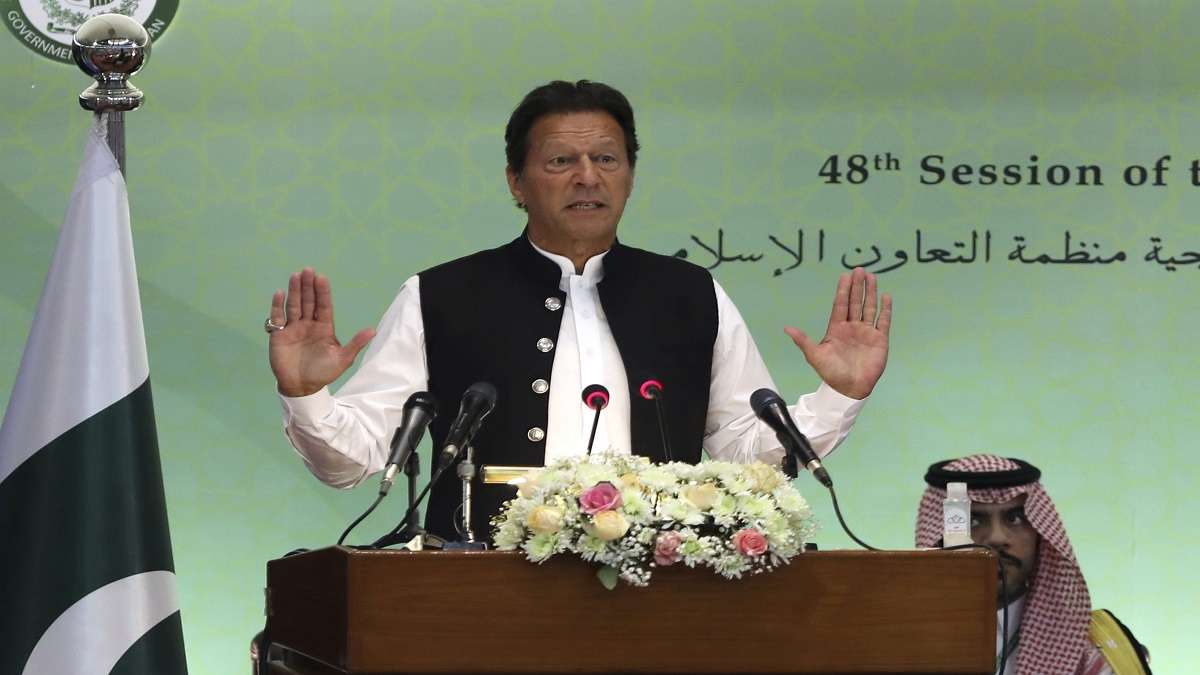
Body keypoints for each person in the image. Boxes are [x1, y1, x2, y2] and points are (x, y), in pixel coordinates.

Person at [266, 80, 893, 542]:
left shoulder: (690, 294)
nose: (587, 177)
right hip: (477, 598)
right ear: (516, 181)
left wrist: (837, 396)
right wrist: (306, 396)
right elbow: (355, 463)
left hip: (659, 590)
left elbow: (743, 458)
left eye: (607, 160)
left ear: (630, 175)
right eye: (561, 161)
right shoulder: (441, 294)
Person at [917, 454, 1150, 675]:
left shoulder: (1093, 651)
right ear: (938, 539)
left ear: (1040, 535)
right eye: (972, 521)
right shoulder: (900, 640)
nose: (997, 537)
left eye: (1015, 518)